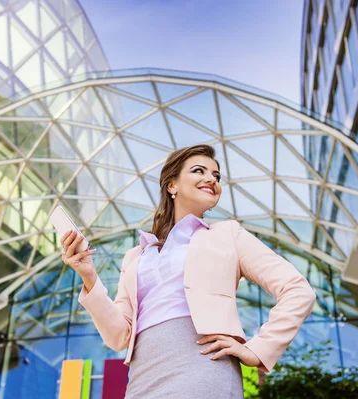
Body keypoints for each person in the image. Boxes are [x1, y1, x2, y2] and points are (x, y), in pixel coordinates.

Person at [60, 144, 316, 398]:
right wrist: (90, 278)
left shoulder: (229, 235)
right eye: (199, 171)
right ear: (172, 186)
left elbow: (298, 290)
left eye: (216, 176)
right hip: (141, 381)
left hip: (203, 371)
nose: (211, 179)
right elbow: (118, 336)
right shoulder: (136, 256)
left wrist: (258, 349)